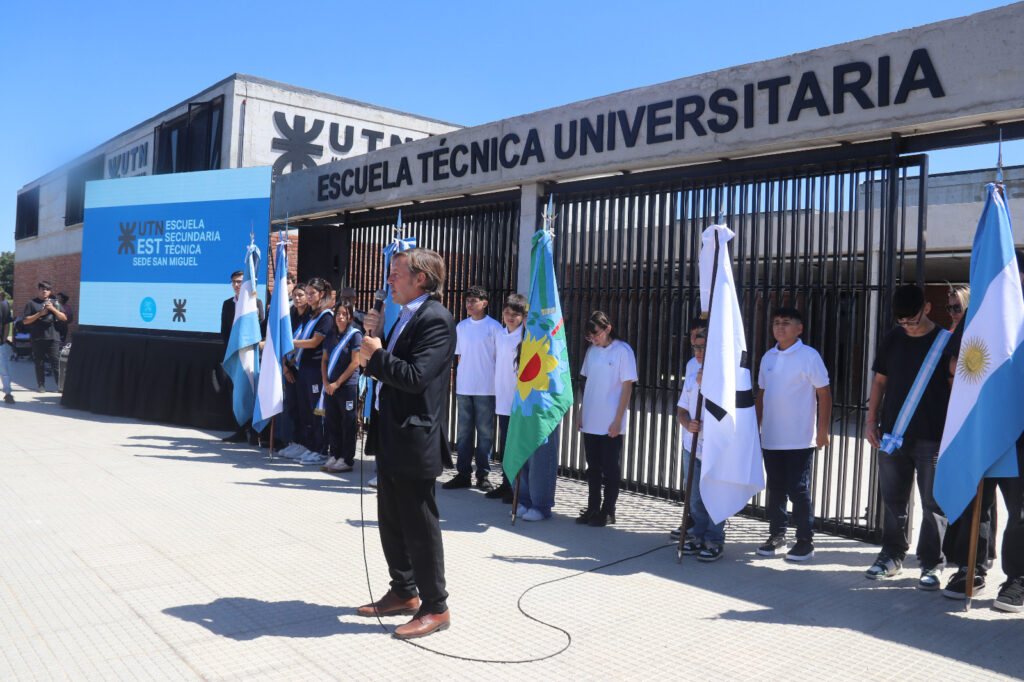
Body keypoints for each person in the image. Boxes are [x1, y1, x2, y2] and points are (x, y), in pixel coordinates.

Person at [355, 247, 456, 640]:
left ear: (422, 280)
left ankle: (436, 606)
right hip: (392, 434)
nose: (389, 280)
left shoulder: (437, 319)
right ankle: (404, 591)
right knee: (391, 520)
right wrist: (376, 337)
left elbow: (415, 377)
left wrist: (376, 355)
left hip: (416, 438)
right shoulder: (403, 317)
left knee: (419, 525)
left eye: (396, 273)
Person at [865, 284, 952, 589]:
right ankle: (891, 555)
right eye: (901, 322)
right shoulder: (893, 338)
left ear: (927, 308)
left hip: (931, 436)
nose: (907, 327)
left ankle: (932, 563)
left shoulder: (946, 342)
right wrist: (871, 419)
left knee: (933, 502)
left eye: (912, 320)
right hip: (893, 435)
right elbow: (879, 382)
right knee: (892, 501)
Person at [755, 307, 832, 562]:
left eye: (786, 323)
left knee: (798, 489)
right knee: (775, 488)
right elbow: (762, 395)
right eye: (776, 322)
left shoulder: (809, 356)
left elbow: (824, 393)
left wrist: (822, 431)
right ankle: (777, 535)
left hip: (800, 437)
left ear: (799, 328)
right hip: (772, 437)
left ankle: (805, 541)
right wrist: (755, 427)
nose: (779, 327)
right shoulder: (767, 357)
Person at [576, 311, 638, 527]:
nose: (594, 339)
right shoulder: (592, 351)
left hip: (611, 418)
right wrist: (581, 411)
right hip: (591, 416)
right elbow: (588, 383)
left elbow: (627, 387)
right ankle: (593, 507)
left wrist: (618, 418)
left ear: (608, 328)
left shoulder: (623, 351)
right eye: (590, 336)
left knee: (610, 467)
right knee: (592, 466)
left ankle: (608, 510)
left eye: (596, 334)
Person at [676, 324, 728, 560]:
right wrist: (688, 423)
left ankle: (714, 539)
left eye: (703, 348)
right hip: (692, 444)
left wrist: (706, 384)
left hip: (715, 447)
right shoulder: (692, 370)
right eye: (696, 347)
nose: (698, 353)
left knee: (714, 495)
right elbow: (681, 409)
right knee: (695, 496)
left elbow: (727, 413)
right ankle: (697, 535)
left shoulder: (726, 375)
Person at [443, 285, 502, 491]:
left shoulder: (494, 327)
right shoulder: (461, 327)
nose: (469, 304)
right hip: (465, 387)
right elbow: (460, 357)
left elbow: (500, 358)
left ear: (484, 303)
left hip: (487, 388)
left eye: (473, 300)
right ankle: (463, 473)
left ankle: (483, 475)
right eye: (467, 300)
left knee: (485, 434)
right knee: (464, 433)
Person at [288, 278, 334, 464]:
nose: (307, 297)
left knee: (316, 411)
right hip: (304, 368)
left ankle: (321, 449)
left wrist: (290, 343)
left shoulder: (327, 316)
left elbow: (315, 342)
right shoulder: (312, 315)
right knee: (305, 410)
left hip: (316, 369)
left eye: (311, 293)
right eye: (305, 293)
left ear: (321, 294)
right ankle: (309, 445)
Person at [487, 294, 527, 504]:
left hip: (517, 400)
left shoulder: (525, 337)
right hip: (502, 398)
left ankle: (516, 488)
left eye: (515, 314)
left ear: (523, 317)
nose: (510, 317)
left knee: (516, 446)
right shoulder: (500, 334)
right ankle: (505, 484)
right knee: (505, 445)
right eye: (507, 313)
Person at [221, 270, 265, 444]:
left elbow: (260, 330)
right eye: (233, 282)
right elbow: (224, 331)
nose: (236, 285)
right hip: (234, 356)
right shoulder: (227, 304)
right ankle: (239, 430)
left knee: (251, 392)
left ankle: (254, 433)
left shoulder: (256, 303)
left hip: (250, 356)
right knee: (237, 395)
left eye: (239, 282)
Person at [320, 300, 362, 473]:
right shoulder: (330, 335)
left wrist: (337, 383)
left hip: (346, 386)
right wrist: (325, 382)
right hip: (330, 386)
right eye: (338, 314)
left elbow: (355, 362)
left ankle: (346, 458)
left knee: (347, 422)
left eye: (344, 314)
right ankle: (335, 454)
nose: (340, 317)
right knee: (332, 421)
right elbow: (324, 360)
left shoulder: (355, 335)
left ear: (350, 316)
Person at [22, 281, 66, 393]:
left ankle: (60, 386)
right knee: (39, 363)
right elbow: (25, 321)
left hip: (53, 337)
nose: (44, 291)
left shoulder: (55, 303)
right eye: (42, 289)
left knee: (56, 362)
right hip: (38, 337)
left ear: (50, 291)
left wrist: (53, 309)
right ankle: (41, 385)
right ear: (38, 290)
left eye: (46, 289)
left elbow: (64, 318)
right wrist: (40, 314)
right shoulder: (32, 303)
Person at [0, 292, 13, 404]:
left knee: (4, 369)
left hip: (0, 343)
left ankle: (8, 393)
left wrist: (4, 339)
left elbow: (6, 324)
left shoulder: (3, 306)